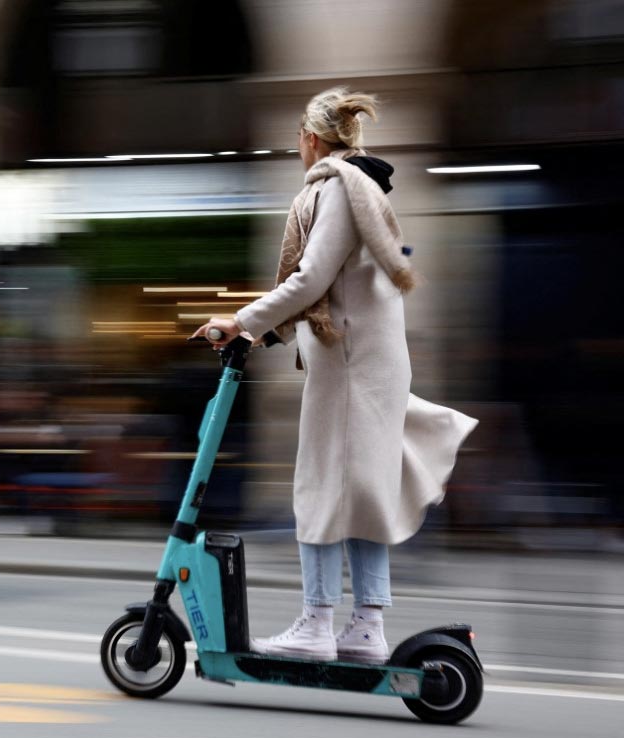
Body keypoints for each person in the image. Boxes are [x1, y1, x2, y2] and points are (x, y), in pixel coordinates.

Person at [192, 87, 478, 663]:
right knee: (363, 495)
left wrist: (240, 320)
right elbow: (331, 286)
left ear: (310, 137)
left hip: (349, 367)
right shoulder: (362, 187)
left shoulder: (336, 189)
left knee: (319, 489)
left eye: (297, 136)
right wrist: (263, 333)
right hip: (364, 362)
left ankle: (318, 622)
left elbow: (311, 280)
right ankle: (366, 627)